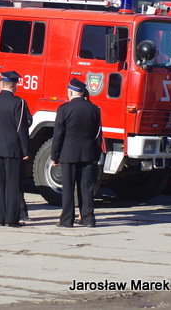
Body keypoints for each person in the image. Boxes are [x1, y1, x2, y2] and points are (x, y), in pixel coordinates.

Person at [0, 71, 32, 228]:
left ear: (1, 83)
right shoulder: (19, 103)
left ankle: (0, 218)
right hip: (13, 149)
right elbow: (21, 128)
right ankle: (11, 219)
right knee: (12, 185)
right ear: (15, 86)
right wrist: (25, 149)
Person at [51, 78, 102, 228]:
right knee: (86, 188)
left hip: (68, 154)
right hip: (88, 154)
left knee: (68, 188)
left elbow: (58, 135)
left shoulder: (64, 109)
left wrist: (55, 155)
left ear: (71, 92)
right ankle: (88, 219)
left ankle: (67, 220)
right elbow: (98, 135)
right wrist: (96, 155)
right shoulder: (94, 109)